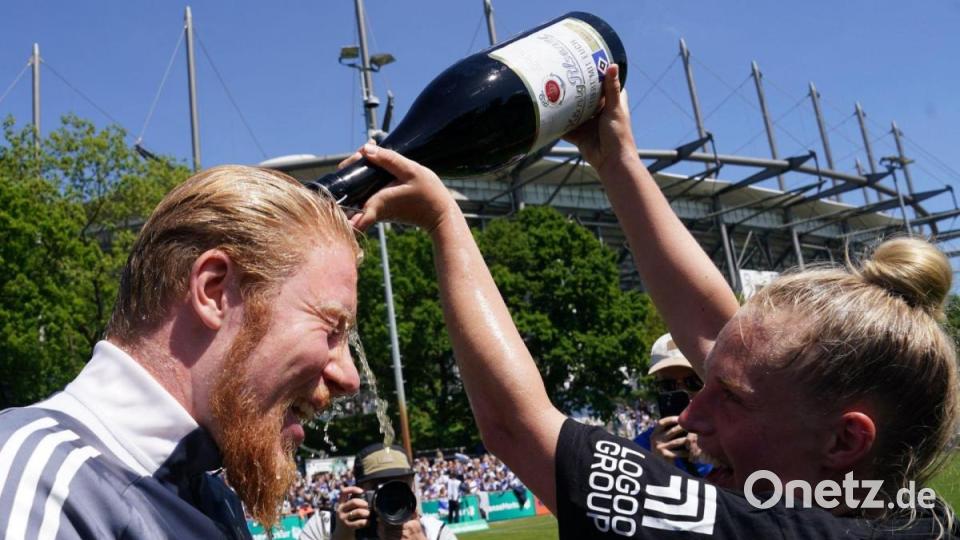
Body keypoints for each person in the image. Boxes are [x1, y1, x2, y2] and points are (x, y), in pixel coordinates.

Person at [344, 62, 959, 538]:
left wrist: (444, 221)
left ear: (845, 442)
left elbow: (516, 425)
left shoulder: (763, 528)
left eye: (728, 399)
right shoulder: (903, 510)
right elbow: (731, 344)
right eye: (703, 384)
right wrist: (618, 161)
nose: (690, 417)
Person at [0, 166, 362, 537]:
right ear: (214, 291)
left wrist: (430, 221)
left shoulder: (215, 499)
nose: (349, 377)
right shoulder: (37, 486)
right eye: (331, 328)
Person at [300, 444, 456, 540]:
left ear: (412, 487)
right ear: (359, 490)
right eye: (379, 486)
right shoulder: (325, 526)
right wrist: (342, 536)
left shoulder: (434, 532)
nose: (392, 495)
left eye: (401, 485)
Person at [634, 333, 712, 477]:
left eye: (693, 381)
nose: (685, 393)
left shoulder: (734, 434)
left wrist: (720, 455)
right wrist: (656, 468)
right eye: (668, 385)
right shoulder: (642, 448)